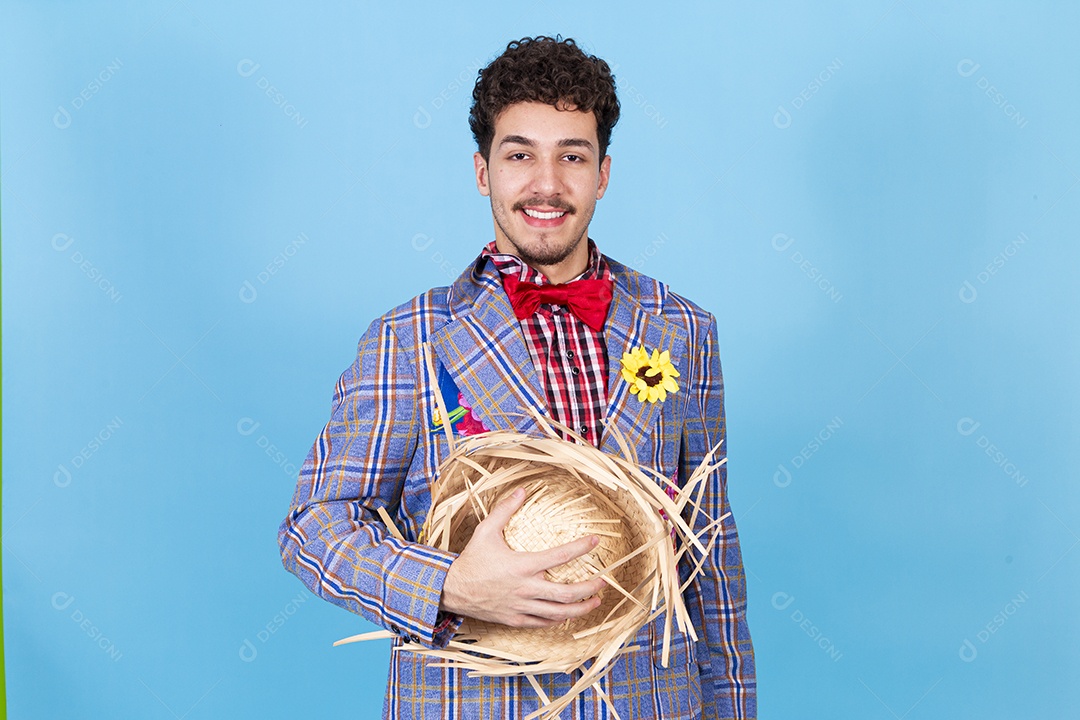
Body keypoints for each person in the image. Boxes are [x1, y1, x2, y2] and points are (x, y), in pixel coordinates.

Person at [278, 35, 756, 719]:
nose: (547, 184)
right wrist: (449, 586)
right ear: (483, 172)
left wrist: (732, 708)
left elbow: (711, 555)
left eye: (572, 156)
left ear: (604, 173)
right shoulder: (407, 340)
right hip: (474, 702)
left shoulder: (681, 328)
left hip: (650, 700)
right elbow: (312, 527)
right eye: (520, 155)